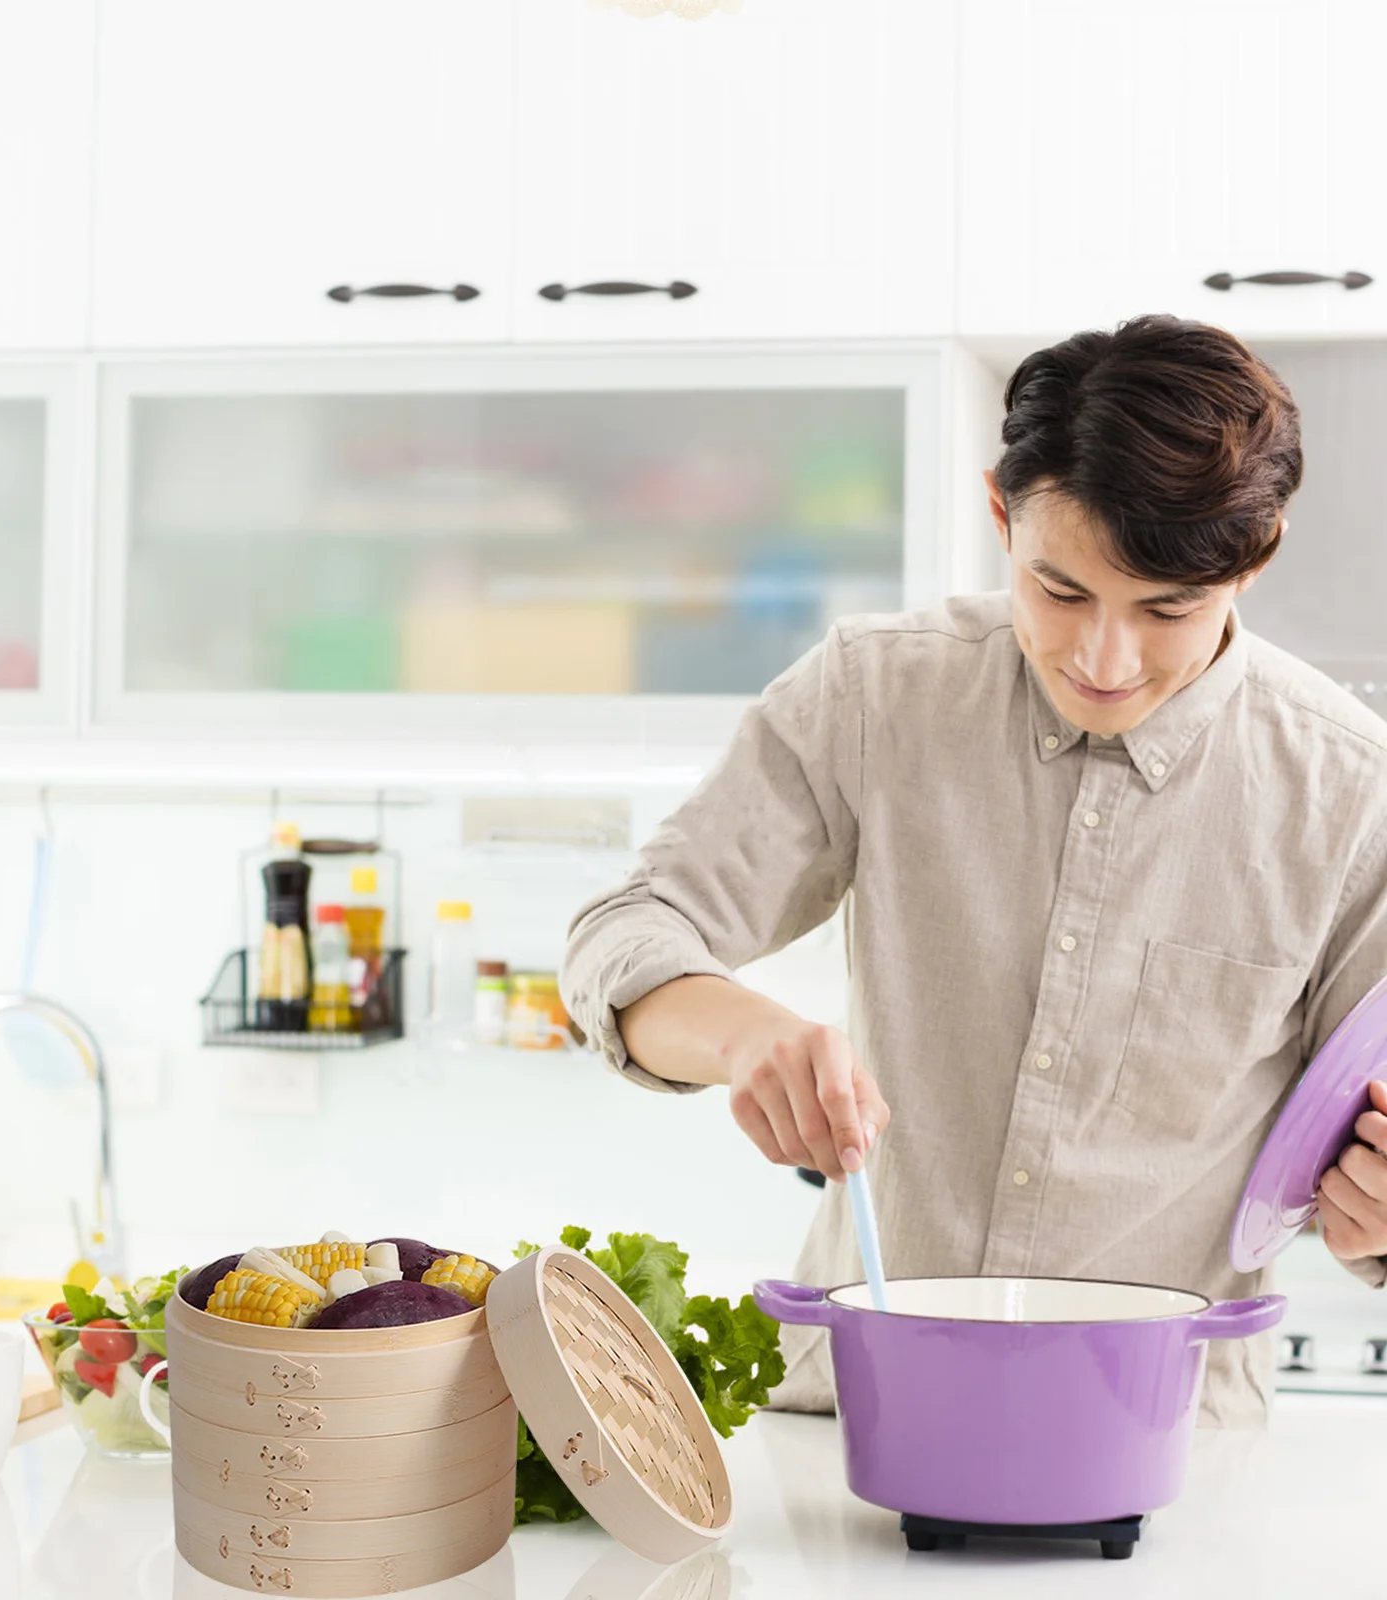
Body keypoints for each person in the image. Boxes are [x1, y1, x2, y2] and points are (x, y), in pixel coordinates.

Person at [560, 314, 1387, 1427]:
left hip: (1154, 1438)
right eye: (1059, 590)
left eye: (1166, 611)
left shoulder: (1349, 793)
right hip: (860, 1416)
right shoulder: (874, 694)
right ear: (1000, 511)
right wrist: (744, 1036)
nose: (1103, 659)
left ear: (1259, 554)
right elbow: (627, 934)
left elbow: (1357, 1159)